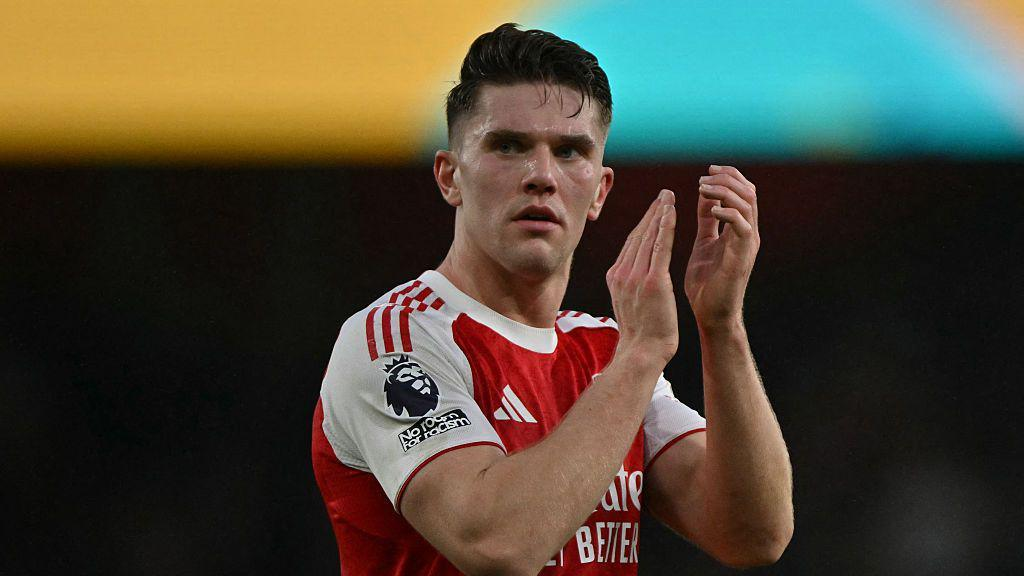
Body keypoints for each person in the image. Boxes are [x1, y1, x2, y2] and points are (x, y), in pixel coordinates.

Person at [312, 23, 792, 575]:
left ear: (600, 192)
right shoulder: (394, 342)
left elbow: (753, 534)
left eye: (569, 151)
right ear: (450, 177)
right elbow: (496, 545)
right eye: (508, 145)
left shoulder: (604, 352)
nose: (541, 176)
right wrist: (641, 356)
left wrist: (722, 325)